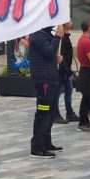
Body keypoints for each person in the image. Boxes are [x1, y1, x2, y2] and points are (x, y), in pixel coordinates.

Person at [28, 24, 65, 158]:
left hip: (50, 79)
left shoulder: (46, 34)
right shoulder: (37, 35)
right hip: (44, 81)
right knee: (43, 113)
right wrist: (58, 37)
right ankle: (37, 148)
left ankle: (46, 143)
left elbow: (48, 55)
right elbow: (49, 52)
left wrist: (57, 58)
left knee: (49, 113)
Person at [57, 21, 78, 122]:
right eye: (69, 20)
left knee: (69, 90)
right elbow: (62, 57)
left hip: (66, 69)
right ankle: (55, 114)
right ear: (64, 24)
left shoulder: (66, 37)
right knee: (57, 92)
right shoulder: (62, 39)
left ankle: (69, 113)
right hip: (62, 70)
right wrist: (69, 71)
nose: (72, 22)